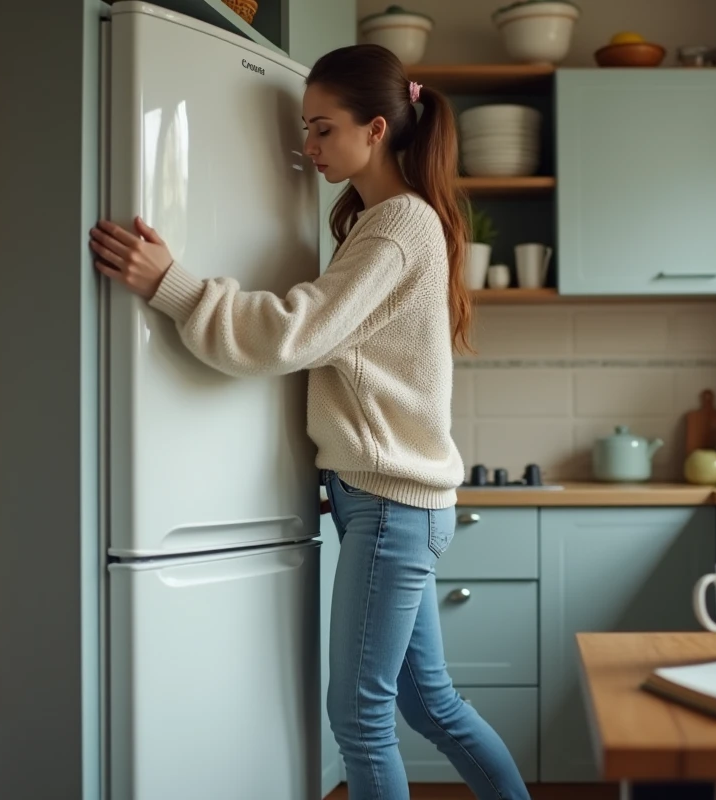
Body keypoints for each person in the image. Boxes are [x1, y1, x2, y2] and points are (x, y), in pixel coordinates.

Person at [89, 43, 530, 800]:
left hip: (393, 507)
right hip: (391, 501)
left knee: (360, 716)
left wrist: (173, 284)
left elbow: (296, 333)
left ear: (378, 129)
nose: (308, 146)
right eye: (306, 128)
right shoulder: (384, 223)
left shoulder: (396, 226)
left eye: (324, 129)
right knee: (430, 702)